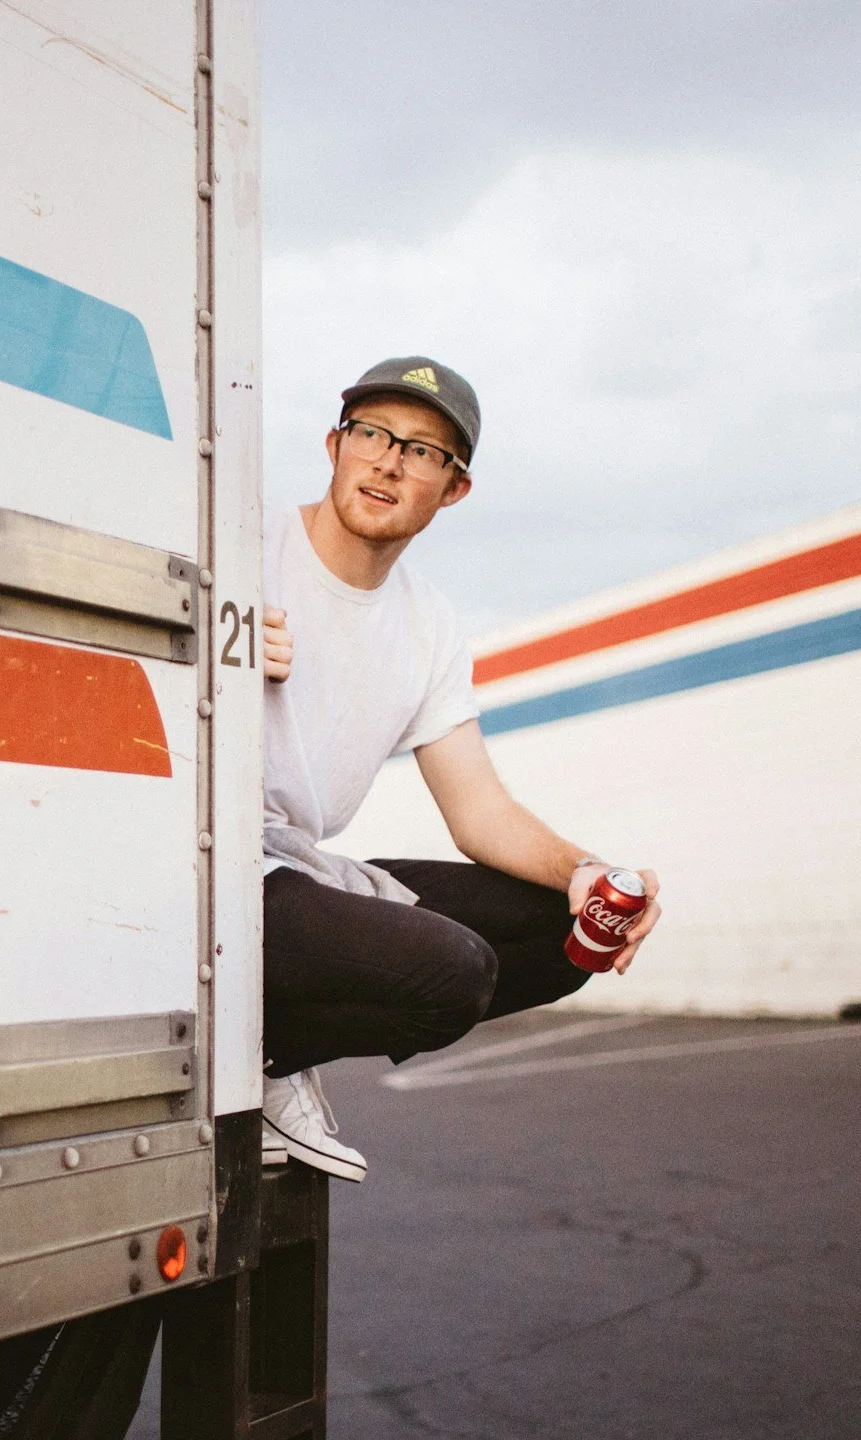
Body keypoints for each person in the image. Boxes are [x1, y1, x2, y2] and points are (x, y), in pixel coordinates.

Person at [258, 356, 663, 1181]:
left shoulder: (429, 624)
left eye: (422, 450)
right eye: (372, 433)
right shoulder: (240, 541)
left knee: (567, 935)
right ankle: (265, 1055)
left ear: (453, 488)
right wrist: (211, 644)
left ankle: (271, 1052)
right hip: (211, 864)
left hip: (299, 867)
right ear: (335, 444)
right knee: (453, 970)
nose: (389, 461)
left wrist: (588, 871)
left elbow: (479, 809)